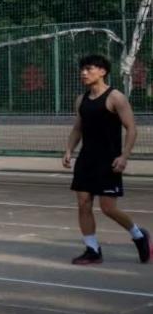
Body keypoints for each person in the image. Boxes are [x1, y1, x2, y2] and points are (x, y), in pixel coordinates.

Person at [63, 54, 148, 265]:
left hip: (108, 161)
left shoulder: (116, 97)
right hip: (86, 160)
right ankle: (92, 250)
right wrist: (68, 150)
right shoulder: (81, 100)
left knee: (108, 208)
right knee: (83, 204)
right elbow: (77, 128)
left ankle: (139, 235)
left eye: (89, 69)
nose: (84, 73)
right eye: (82, 69)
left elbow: (131, 128)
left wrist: (124, 156)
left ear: (102, 71)